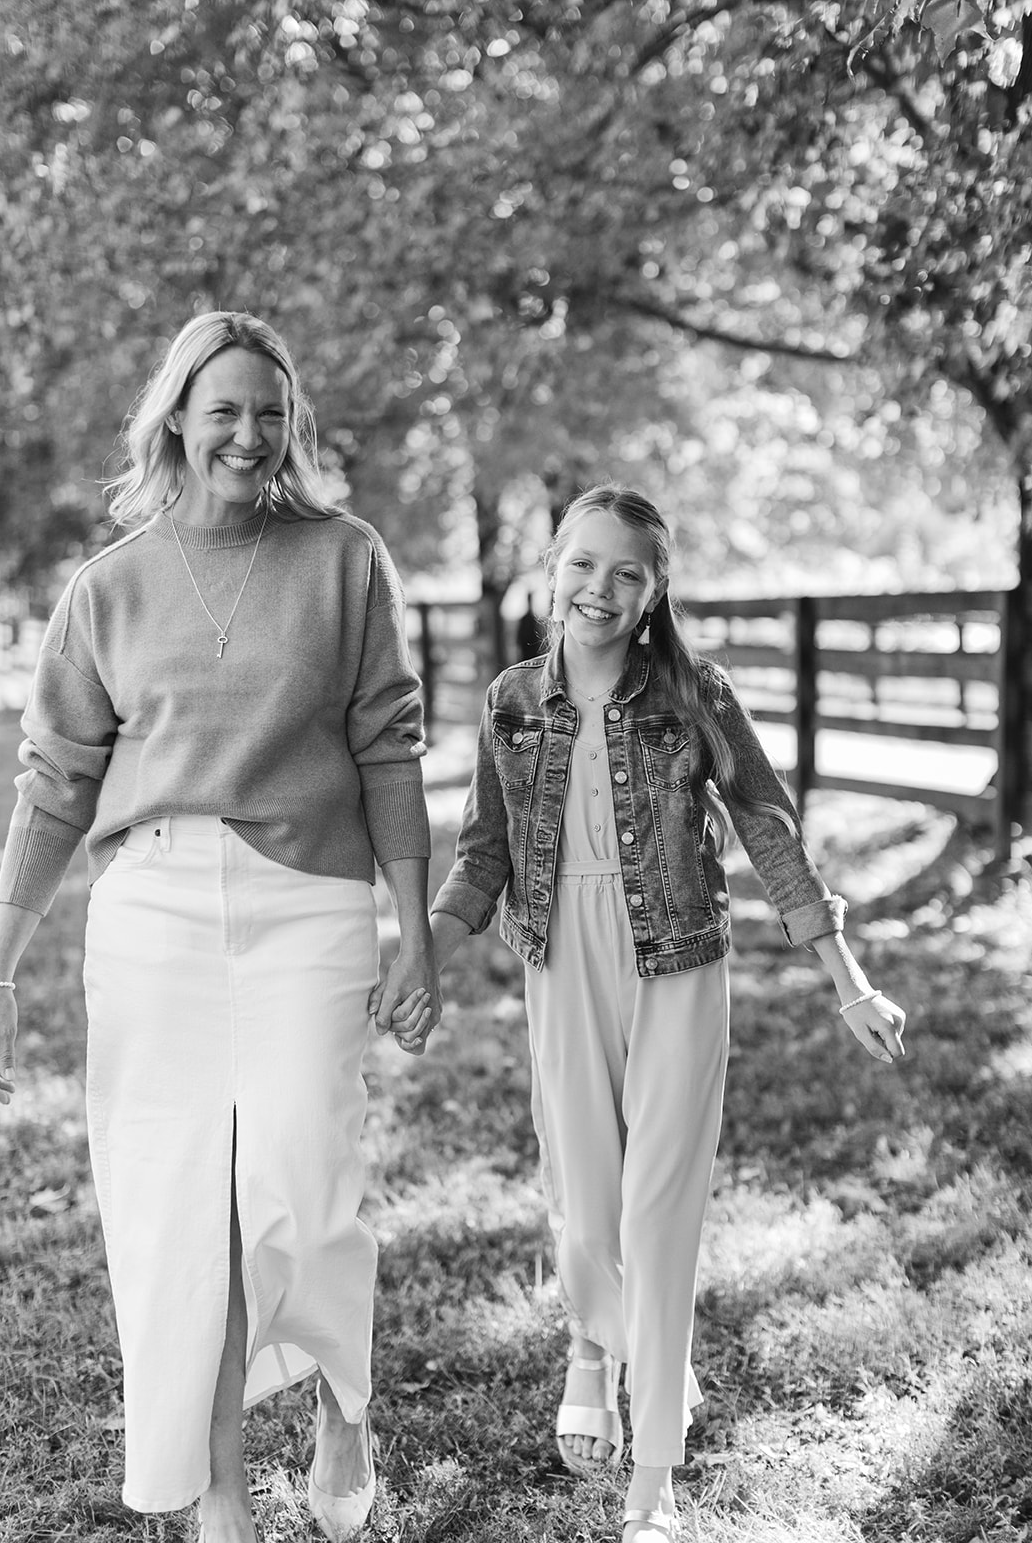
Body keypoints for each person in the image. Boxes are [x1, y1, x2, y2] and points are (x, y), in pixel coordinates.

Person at [0, 311, 441, 1543]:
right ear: (175, 416)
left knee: (304, 1179)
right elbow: (53, 783)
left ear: (292, 427)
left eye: (269, 412)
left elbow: (389, 746)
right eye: (222, 408)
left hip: (310, 909)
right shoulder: (108, 587)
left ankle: (343, 1393)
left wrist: (416, 932)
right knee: (185, 1213)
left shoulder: (345, 558)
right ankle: (219, 1487)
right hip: (155, 920)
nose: (247, 433)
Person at [425, 485, 906, 1543]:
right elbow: (483, 850)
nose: (600, 588)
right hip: (561, 962)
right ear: (551, 571)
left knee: (657, 1214)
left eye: (627, 573)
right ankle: (592, 1347)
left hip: (676, 962)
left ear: (654, 593)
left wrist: (848, 979)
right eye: (583, 565)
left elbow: (769, 831)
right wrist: (425, 950)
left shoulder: (694, 693)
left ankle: (654, 1474)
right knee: (585, 1201)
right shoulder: (511, 698)